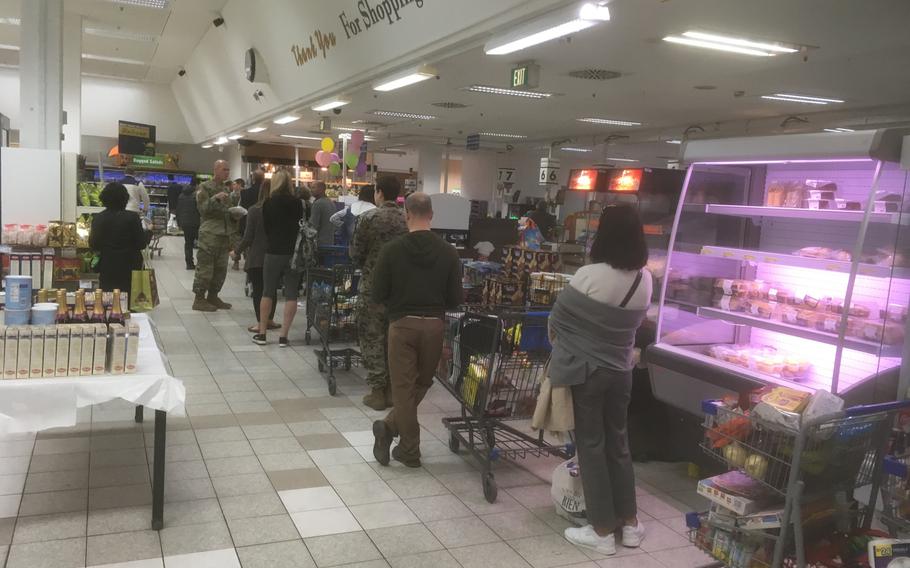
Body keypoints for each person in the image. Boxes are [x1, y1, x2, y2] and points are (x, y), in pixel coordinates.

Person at [549, 204, 651, 556]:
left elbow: (558, 320)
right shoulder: (645, 278)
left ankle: (602, 531)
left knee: (591, 448)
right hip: (623, 372)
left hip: (589, 373)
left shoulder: (589, 275)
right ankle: (631, 524)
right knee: (619, 445)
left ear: (603, 235)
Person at [371, 193, 462, 468]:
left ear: (406, 214)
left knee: (402, 388)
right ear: (431, 215)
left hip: (402, 325)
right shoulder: (449, 252)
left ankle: (408, 447)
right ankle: (389, 429)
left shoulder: (391, 250)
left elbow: (377, 294)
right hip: (433, 327)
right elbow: (456, 299)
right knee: (421, 383)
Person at [350, 178, 406, 410]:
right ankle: (393, 390)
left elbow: (355, 254)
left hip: (372, 288)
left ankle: (377, 391)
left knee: (372, 337)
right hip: (401, 291)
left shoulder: (368, 218)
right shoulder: (408, 220)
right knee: (394, 339)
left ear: (379, 193)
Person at [252, 170, 304, 347]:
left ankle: (262, 333)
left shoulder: (268, 203)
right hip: (294, 253)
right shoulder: (298, 204)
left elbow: (267, 229)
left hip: (273, 251)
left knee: (267, 291)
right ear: (289, 183)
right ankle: (283, 336)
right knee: (291, 294)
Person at [192, 159, 238, 312]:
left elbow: (228, 211)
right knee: (205, 268)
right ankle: (199, 299)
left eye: (228, 170)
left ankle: (213, 296)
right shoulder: (204, 187)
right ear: (216, 169)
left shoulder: (226, 188)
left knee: (220, 269)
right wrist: (214, 199)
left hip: (224, 235)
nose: (227, 172)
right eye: (225, 169)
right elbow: (202, 210)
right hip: (209, 235)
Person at [235, 179, 279, 332]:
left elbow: (248, 237)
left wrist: (236, 251)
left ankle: (261, 323)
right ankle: (270, 319)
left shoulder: (254, 210)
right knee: (271, 289)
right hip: (275, 254)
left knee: (259, 291)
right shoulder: (278, 210)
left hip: (257, 256)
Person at [89, 183, 147, 293]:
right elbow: (141, 244)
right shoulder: (132, 218)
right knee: (130, 300)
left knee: (109, 301)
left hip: (107, 266)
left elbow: (93, 244)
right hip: (130, 267)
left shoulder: (98, 218)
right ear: (125, 199)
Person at [175, 178, 200, 270]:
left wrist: (179, 222)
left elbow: (178, 209)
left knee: (188, 244)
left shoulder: (181, 195)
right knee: (201, 244)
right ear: (197, 185)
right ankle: (201, 263)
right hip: (196, 223)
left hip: (185, 223)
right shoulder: (197, 195)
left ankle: (189, 264)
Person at [309, 181, 336, 246]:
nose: (311, 190)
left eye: (313, 188)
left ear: (321, 189)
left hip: (319, 243)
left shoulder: (318, 204)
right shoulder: (331, 203)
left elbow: (313, 225)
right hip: (330, 241)